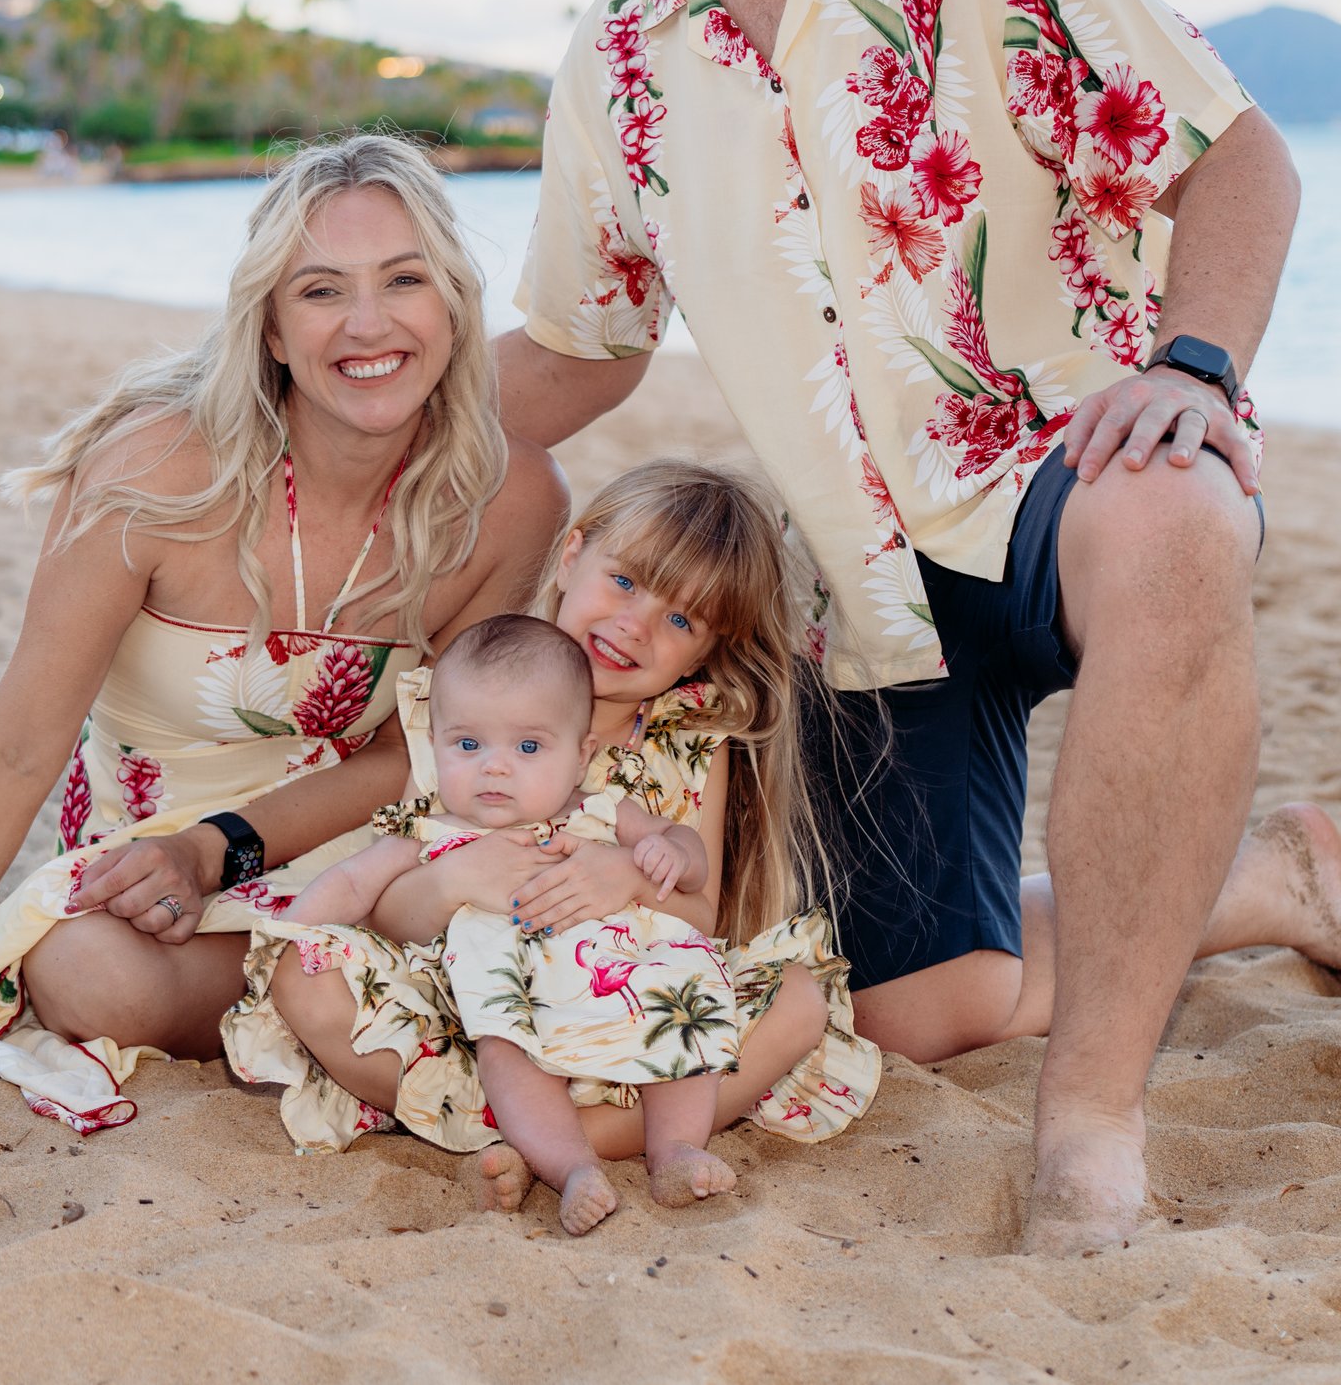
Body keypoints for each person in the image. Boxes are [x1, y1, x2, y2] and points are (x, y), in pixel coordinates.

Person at [494, 0, 1341, 1254]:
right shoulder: (619, 55)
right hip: (863, 595)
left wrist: (1196, 370)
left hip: (1071, 475)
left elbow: (1238, 158)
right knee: (924, 1005)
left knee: (1172, 515)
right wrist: (338, 391)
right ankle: (1261, 888)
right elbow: (581, 345)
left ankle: (1091, 1128)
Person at [0, 135, 569, 1127]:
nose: (368, 323)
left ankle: (354, 1003)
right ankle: (362, 1014)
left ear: (455, 305)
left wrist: (225, 846)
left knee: (484, 894)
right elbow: (16, 742)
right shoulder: (155, 475)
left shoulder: (509, 498)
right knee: (86, 979)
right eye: (319, 292)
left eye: (404, 280)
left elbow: (415, 753)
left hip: (364, 859)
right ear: (268, 327)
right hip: (150, 873)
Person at [229, 459, 875, 1206]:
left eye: (680, 618)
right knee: (304, 980)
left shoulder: (688, 741)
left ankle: (546, 1140)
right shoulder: (470, 699)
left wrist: (630, 877)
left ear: (707, 650)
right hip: (475, 1009)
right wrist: (453, 879)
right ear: (572, 556)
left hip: (629, 1006)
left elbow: (702, 915)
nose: (635, 624)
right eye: (626, 581)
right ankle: (561, 1132)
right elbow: (392, 912)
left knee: (798, 998)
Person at [278, 612, 742, 1235]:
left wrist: (671, 853)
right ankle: (572, 1166)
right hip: (509, 997)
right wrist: (292, 929)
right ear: (435, 744)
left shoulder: (600, 808)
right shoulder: (434, 826)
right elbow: (354, 882)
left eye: (527, 747)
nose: (495, 767)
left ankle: (677, 1150)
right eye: (468, 745)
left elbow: (682, 849)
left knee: (683, 1012)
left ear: (580, 758)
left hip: (622, 976)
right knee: (508, 1051)